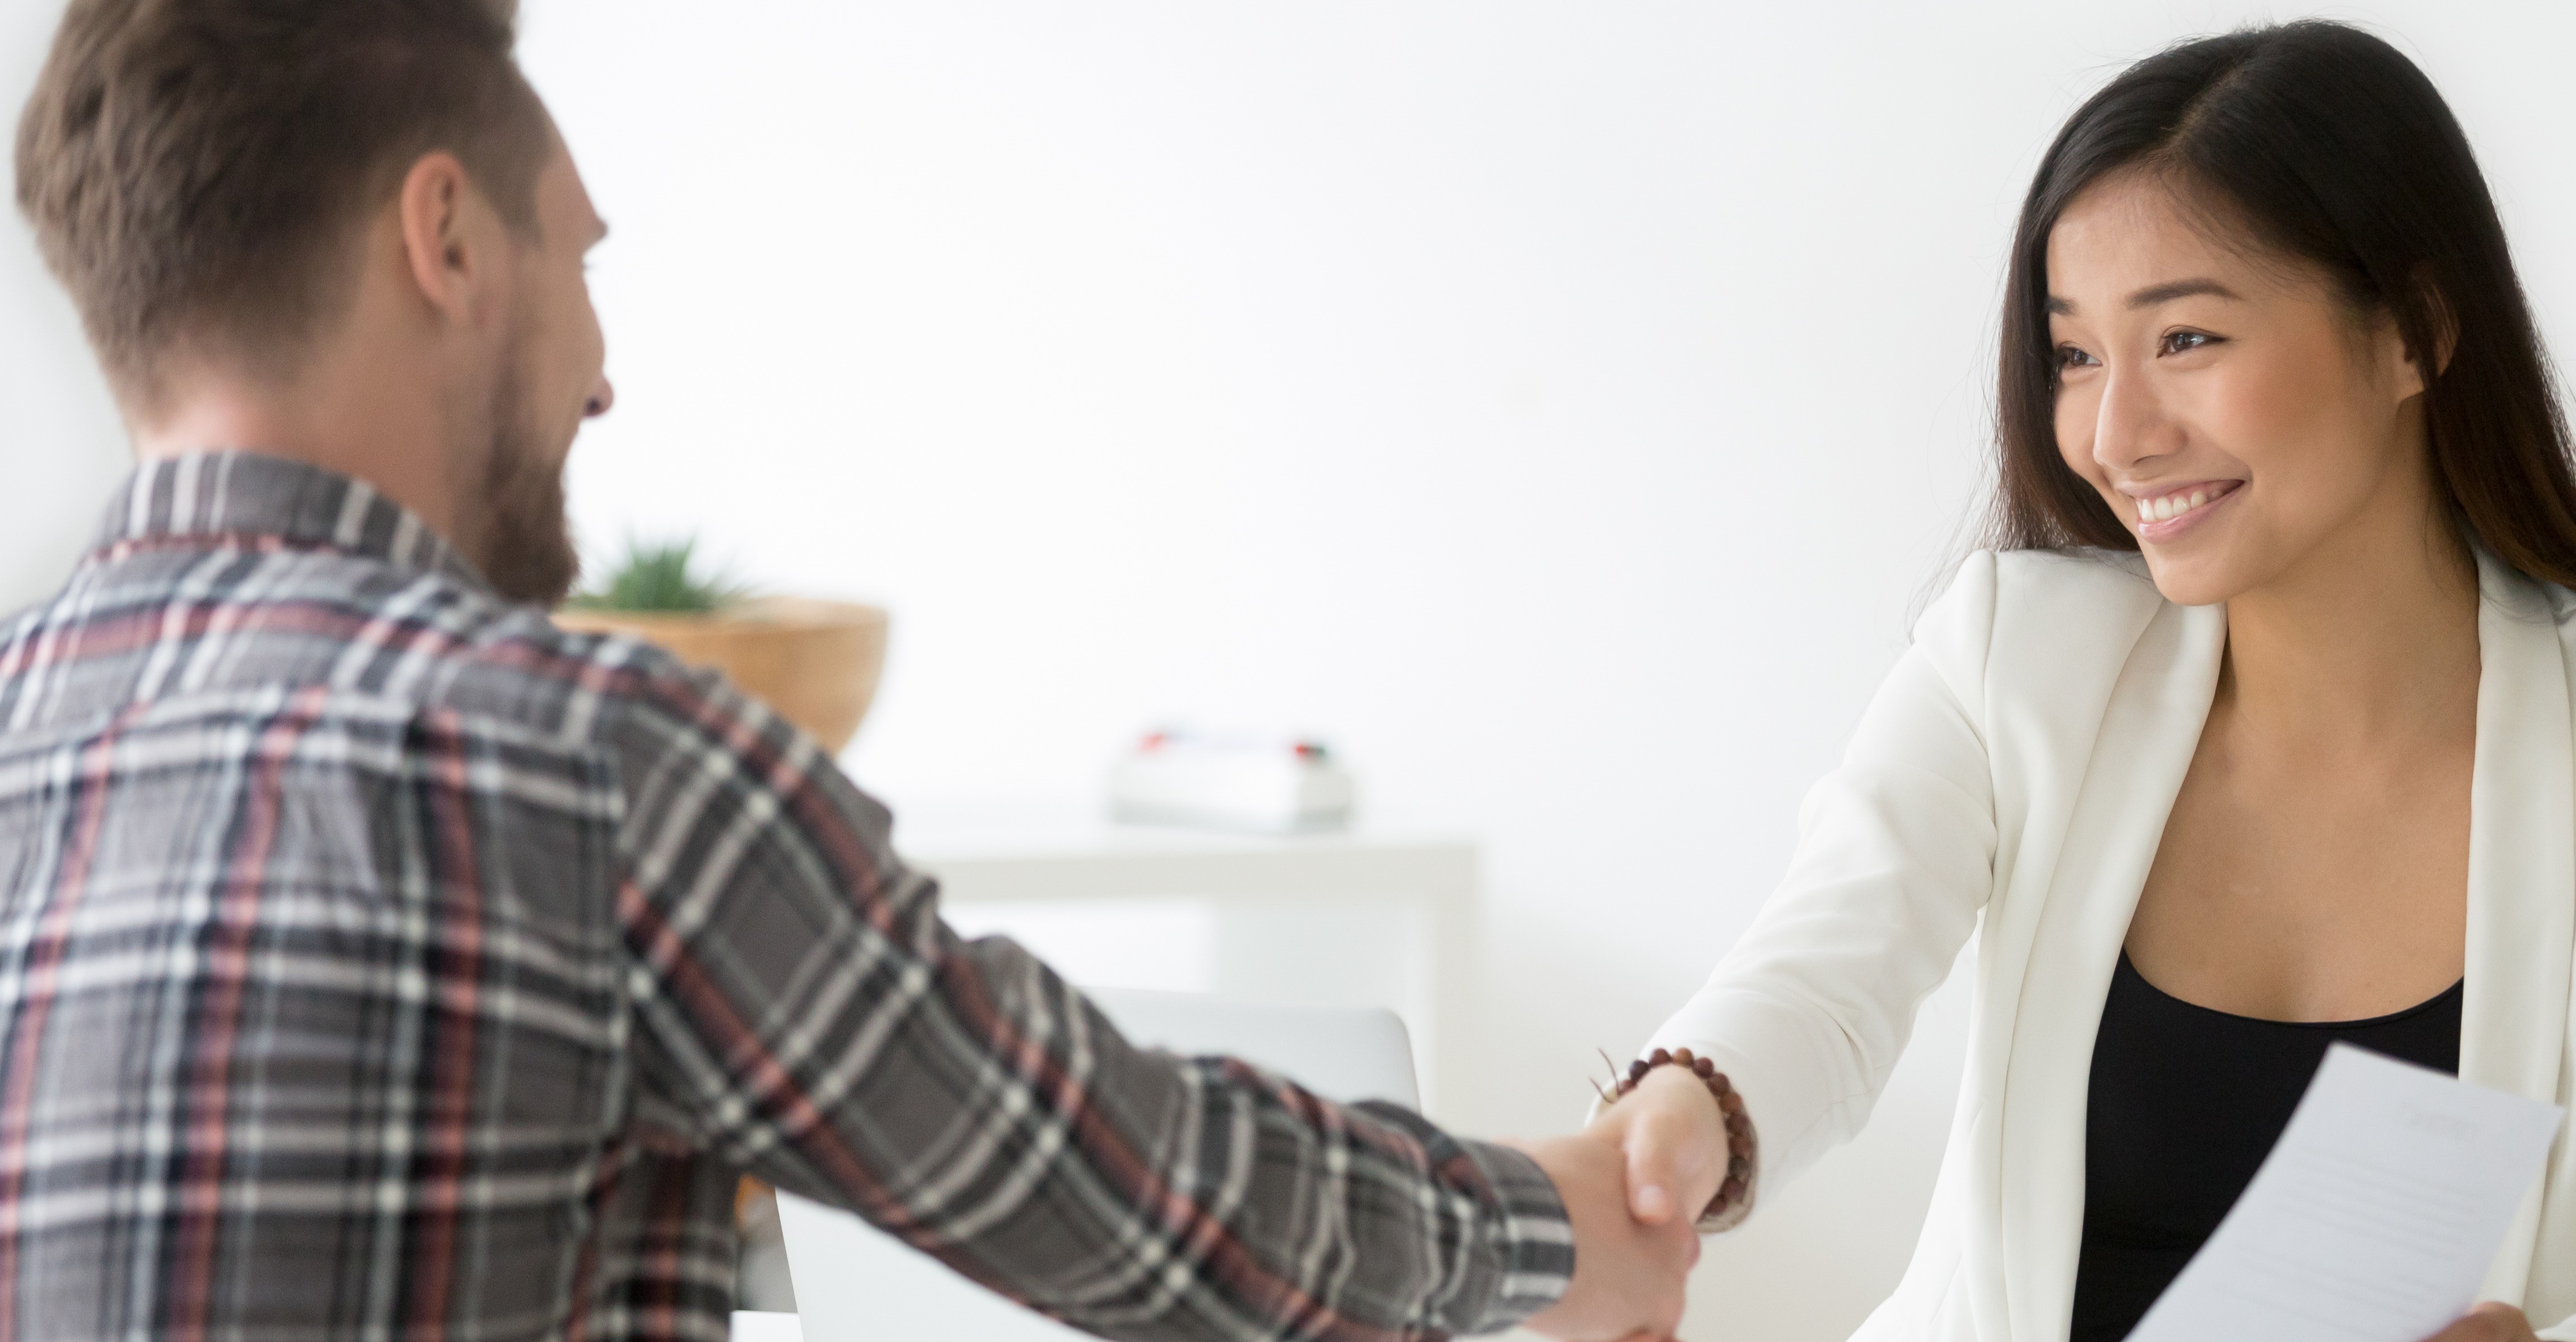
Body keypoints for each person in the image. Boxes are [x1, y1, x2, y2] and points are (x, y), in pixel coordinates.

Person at [0, 2, 1703, 1340]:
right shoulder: (580, 764)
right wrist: (1560, 1228)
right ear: (443, 237)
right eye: (580, 257)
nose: (600, 375)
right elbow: (1134, 1186)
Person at [1583, 21, 2576, 1342]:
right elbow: (1818, 984)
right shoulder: (2015, 652)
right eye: (2074, 354)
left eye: (2183, 338)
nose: (2113, 436)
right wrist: (1686, 1114)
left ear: (2412, 330)